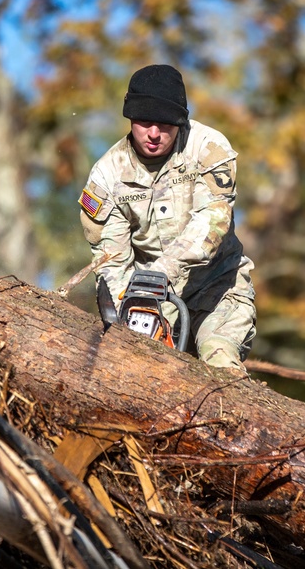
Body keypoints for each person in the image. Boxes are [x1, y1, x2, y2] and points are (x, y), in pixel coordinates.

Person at [79, 64, 256, 369]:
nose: (154, 133)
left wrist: (162, 271)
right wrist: (127, 313)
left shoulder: (208, 149)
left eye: (165, 124)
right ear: (130, 118)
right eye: (145, 122)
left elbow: (212, 222)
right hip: (150, 303)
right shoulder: (106, 177)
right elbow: (111, 263)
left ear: (180, 121)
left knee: (218, 360)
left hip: (217, 287)